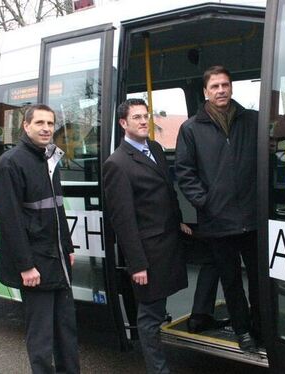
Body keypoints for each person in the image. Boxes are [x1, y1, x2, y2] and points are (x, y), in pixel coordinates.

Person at [175, 65, 260, 352]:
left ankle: (261, 325)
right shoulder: (191, 128)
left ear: (232, 87)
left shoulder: (252, 121)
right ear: (205, 92)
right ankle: (243, 330)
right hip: (217, 221)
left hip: (252, 217)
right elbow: (185, 172)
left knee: (260, 279)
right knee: (232, 281)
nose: (221, 90)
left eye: (225, 84)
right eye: (215, 86)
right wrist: (206, 203)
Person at [103, 98, 190, 373]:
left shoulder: (155, 148)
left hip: (168, 241)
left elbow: (167, 191)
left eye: (145, 115)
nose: (143, 121)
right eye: (137, 117)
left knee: (157, 308)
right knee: (149, 317)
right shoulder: (117, 163)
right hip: (148, 252)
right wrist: (137, 264)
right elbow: (123, 220)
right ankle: (158, 370)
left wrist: (178, 221)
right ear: (123, 123)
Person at [0, 104, 79, 374]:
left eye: (51, 123)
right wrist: (25, 265)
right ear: (25, 126)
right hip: (36, 263)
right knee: (41, 338)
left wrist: (68, 247)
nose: (46, 128)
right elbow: (10, 221)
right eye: (39, 122)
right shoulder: (11, 163)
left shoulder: (49, 158)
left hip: (57, 259)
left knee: (66, 331)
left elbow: (57, 209)